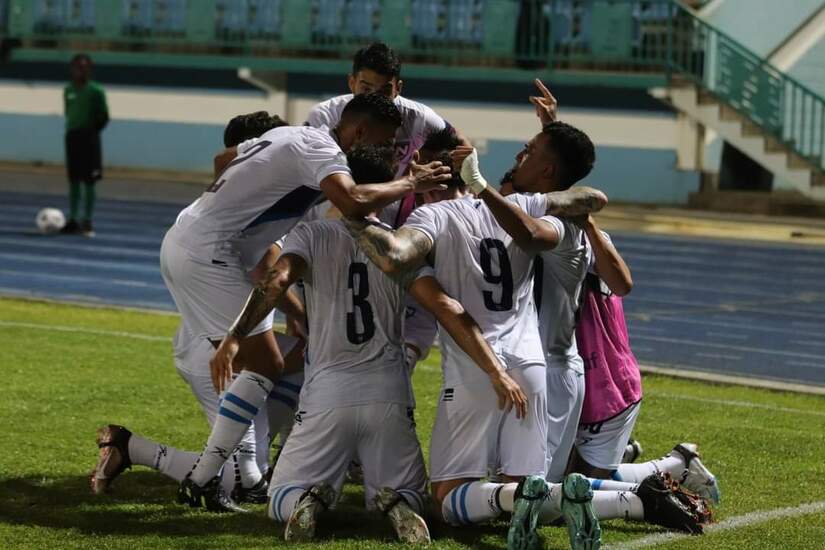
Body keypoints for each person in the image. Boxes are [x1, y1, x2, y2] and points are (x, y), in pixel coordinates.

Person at [160, 92, 450, 512]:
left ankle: (236, 472)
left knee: (281, 360)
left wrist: (230, 201)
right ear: (360, 131)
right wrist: (411, 183)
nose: (390, 152)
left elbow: (225, 161)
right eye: (386, 143)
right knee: (265, 363)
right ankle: (207, 478)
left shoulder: (290, 135)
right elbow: (351, 201)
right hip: (210, 252)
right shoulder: (321, 148)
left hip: (192, 237)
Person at [257, 145, 526, 544]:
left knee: (278, 497)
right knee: (415, 495)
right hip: (388, 392)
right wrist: (495, 370)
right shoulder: (399, 247)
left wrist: (251, 329)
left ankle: (309, 498)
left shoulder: (309, 234)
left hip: (326, 393)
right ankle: (395, 504)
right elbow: (446, 307)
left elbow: (274, 281)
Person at [342, 147, 609, 548]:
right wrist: (483, 187)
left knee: (445, 498)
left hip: (477, 367)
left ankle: (524, 497)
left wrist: (352, 212)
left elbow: (395, 256)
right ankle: (560, 495)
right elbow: (592, 198)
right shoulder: (516, 204)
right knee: (524, 475)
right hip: (531, 364)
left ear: (430, 183)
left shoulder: (433, 215)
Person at [89, 112, 299, 503]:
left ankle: (292, 453)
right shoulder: (245, 203)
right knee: (236, 480)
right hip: (217, 349)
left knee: (322, 356)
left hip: (225, 339)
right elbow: (265, 270)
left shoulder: (235, 199)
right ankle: (130, 447)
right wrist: (305, 316)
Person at [61, 53, 108, 237]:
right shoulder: (68, 90)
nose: (80, 70)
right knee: (73, 180)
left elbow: (104, 116)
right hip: (72, 137)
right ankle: (72, 219)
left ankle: (86, 220)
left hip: (89, 139)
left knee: (89, 181)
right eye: (77, 67)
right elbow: (68, 112)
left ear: (89, 69)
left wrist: (91, 132)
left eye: (84, 67)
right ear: (72, 69)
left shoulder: (96, 91)